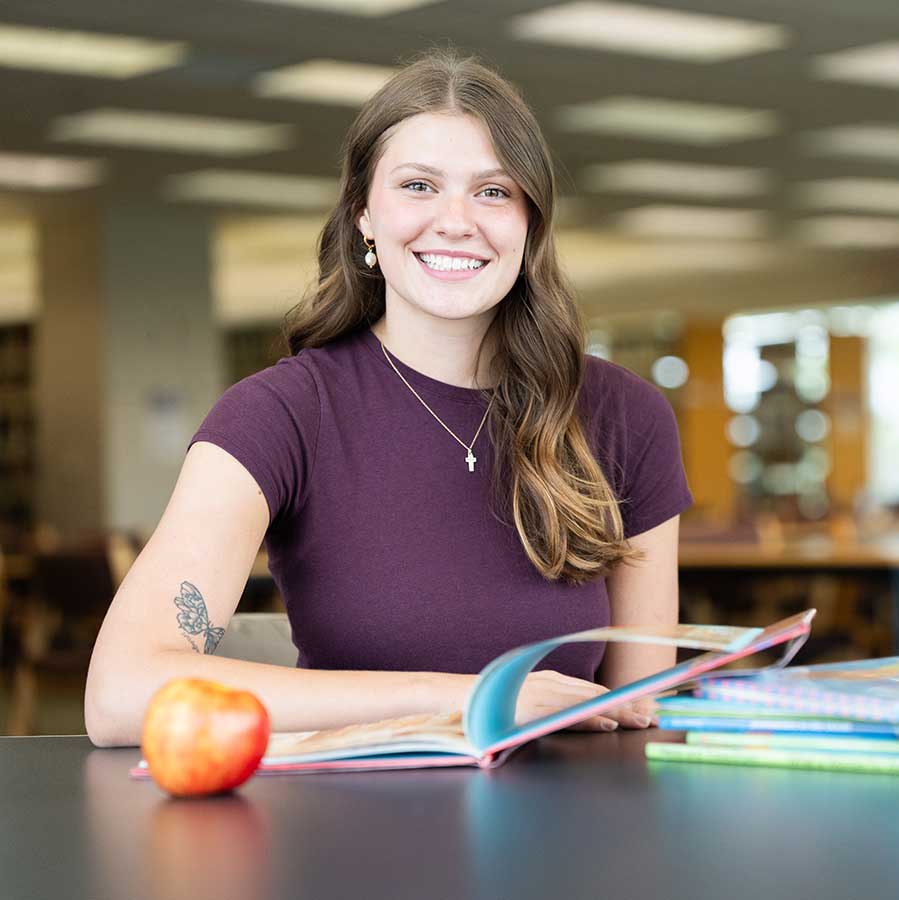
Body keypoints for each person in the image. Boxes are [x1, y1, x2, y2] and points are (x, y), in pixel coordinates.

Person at [84, 50, 692, 747]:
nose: (457, 220)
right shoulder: (279, 415)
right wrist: (475, 698)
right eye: (418, 186)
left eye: (494, 191)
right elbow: (119, 694)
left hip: (563, 833)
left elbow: (644, 721)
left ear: (531, 223)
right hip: (348, 833)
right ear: (363, 215)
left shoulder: (622, 416)